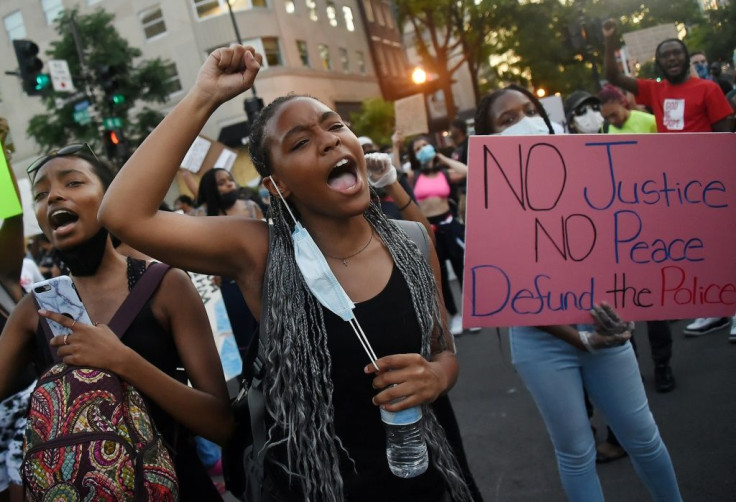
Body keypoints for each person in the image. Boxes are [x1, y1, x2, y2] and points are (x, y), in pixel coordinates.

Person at [99, 45, 472, 501]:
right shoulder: (259, 251)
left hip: (429, 478)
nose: (330, 140)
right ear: (279, 185)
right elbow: (123, 214)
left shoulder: (413, 240)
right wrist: (205, 96)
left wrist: (437, 377)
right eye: (300, 142)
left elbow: (442, 350)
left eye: (335, 125)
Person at [474, 85, 682, 502]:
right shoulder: (488, 203)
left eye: (530, 111)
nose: (526, 123)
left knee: (643, 438)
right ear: (486, 141)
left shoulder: (590, 178)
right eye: (508, 120)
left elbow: (625, 253)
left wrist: (629, 307)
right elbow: (511, 293)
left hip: (605, 330)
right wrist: (580, 339)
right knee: (575, 453)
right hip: (540, 343)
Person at [0, 144, 234, 501]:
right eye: (41, 194)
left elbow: (222, 424)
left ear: (111, 200)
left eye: (73, 183)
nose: (55, 196)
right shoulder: (36, 308)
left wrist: (122, 362)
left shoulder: (166, 285)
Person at [604, 19, 734, 133]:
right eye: (665, 56)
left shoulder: (709, 89)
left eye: (677, 53)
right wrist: (610, 39)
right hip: (669, 160)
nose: (671, 58)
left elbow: (723, 135)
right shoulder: (653, 89)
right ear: (659, 63)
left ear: (687, 59)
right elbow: (613, 76)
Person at [404, 133, 469, 336]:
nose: (422, 149)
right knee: (438, 274)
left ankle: (469, 314)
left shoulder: (444, 172)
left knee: (461, 271)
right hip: (428, 230)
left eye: (425, 145)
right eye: (417, 148)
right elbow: (394, 174)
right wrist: (397, 146)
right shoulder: (414, 174)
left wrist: (441, 157)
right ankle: (455, 315)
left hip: (449, 226)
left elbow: (467, 171)